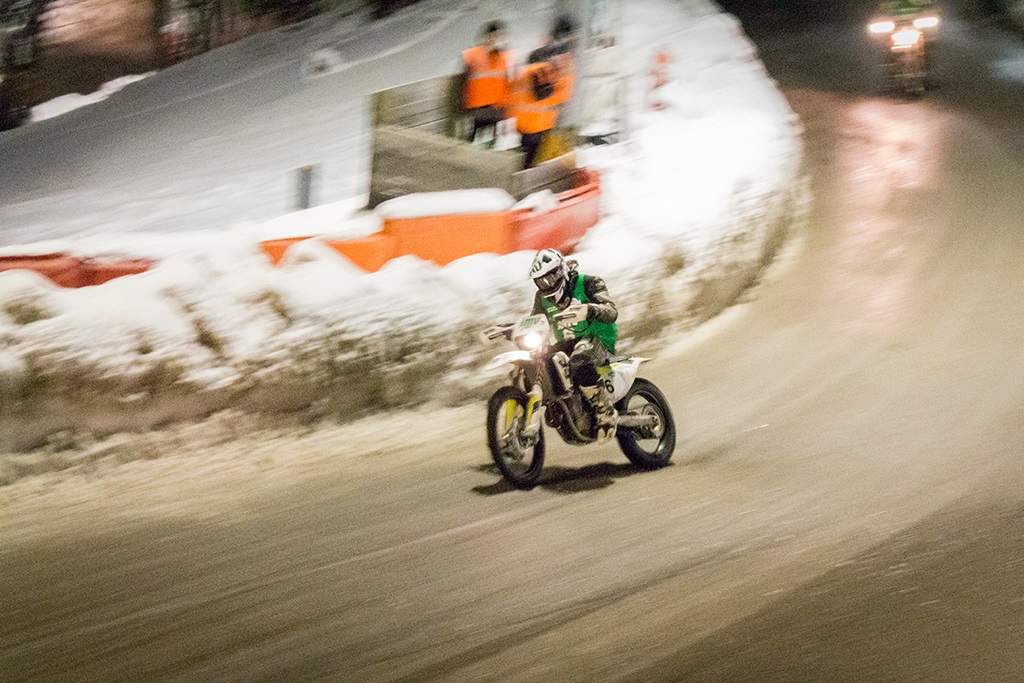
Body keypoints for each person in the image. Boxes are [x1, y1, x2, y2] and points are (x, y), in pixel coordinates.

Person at [529, 248, 619, 443]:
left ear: (561, 270)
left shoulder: (589, 282)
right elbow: (536, 321)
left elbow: (612, 312)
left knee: (579, 358)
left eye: (550, 278)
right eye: (541, 282)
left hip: (598, 339)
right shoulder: (541, 298)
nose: (547, 285)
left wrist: (590, 309)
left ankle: (605, 411)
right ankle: (563, 406)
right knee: (538, 361)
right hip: (567, 343)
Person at [460, 20, 512, 146]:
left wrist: (506, 115)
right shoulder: (472, 55)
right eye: (494, 36)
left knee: (490, 146)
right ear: (486, 37)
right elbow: (461, 84)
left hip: (496, 113)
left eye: (500, 36)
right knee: (470, 144)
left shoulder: (505, 57)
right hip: (477, 112)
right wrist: (462, 108)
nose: (497, 40)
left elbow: (508, 86)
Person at [511, 53, 563, 167]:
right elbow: (553, 95)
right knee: (536, 154)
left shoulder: (525, 73)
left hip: (527, 123)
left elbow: (515, 96)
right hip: (543, 122)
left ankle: (524, 170)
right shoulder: (549, 73)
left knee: (526, 155)